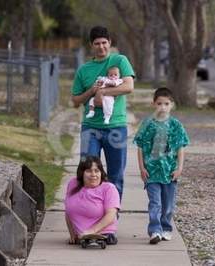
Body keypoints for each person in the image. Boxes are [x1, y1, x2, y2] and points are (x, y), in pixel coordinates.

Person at [71, 25, 135, 200]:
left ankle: (111, 215)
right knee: (88, 172)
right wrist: (91, 92)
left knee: (116, 175)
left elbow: (128, 86)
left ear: (110, 43)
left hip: (116, 127)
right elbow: (76, 101)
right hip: (90, 128)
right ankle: (91, 211)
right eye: (97, 43)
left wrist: (102, 92)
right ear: (92, 45)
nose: (101, 47)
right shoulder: (84, 70)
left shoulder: (120, 61)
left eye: (104, 43)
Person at [133, 87, 190, 245]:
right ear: (153, 104)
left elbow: (180, 147)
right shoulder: (148, 124)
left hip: (169, 171)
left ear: (172, 104)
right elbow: (140, 146)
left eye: (166, 104)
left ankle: (166, 228)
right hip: (152, 171)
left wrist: (179, 168)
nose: (162, 107)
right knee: (155, 202)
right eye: (159, 104)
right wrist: (141, 168)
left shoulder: (175, 125)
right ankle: (155, 230)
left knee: (168, 204)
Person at [65, 156, 120, 245]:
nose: (93, 174)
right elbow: (68, 210)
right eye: (89, 171)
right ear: (81, 173)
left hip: (102, 235)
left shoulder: (109, 188)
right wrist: (72, 234)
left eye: (97, 171)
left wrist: (91, 231)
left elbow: (111, 215)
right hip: (81, 237)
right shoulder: (73, 184)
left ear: (101, 173)